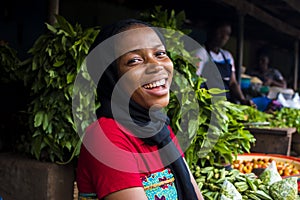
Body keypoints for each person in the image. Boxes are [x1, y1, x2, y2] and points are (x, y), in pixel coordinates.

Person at [76, 19, 203, 200]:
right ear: (111, 76)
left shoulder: (160, 129)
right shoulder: (106, 137)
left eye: (160, 54)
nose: (156, 65)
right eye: (134, 60)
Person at [195, 20, 254, 106]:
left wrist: (242, 99)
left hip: (225, 102)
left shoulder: (227, 56)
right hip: (208, 103)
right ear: (212, 32)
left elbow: (232, 83)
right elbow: (196, 80)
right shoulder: (201, 53)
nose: (224, 37)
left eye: (227, 34)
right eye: (221, 32)